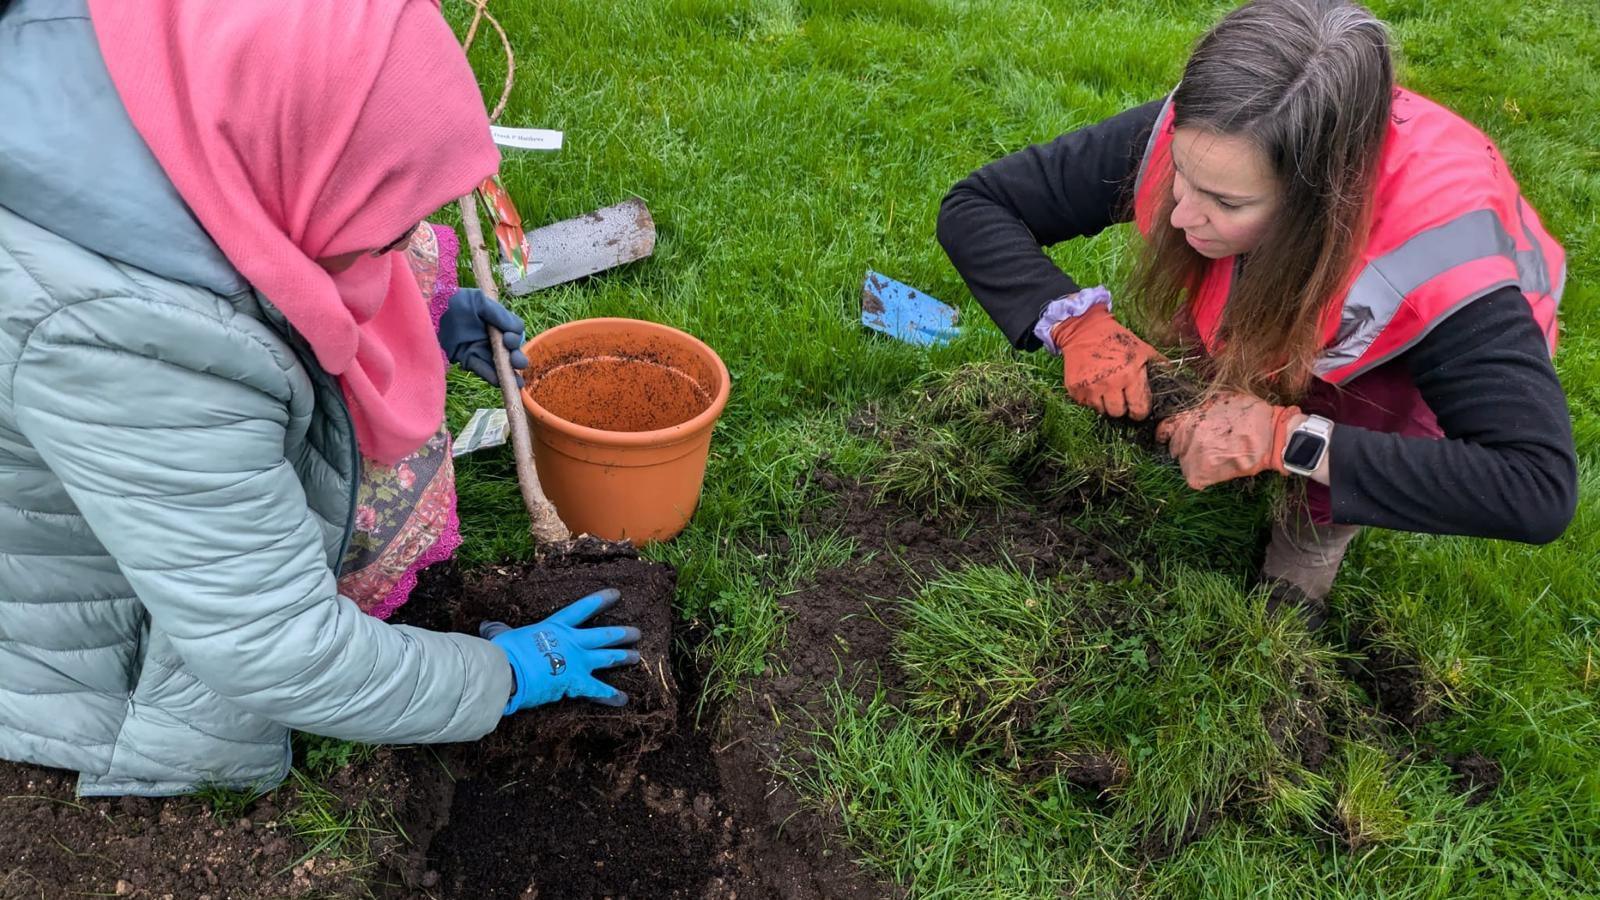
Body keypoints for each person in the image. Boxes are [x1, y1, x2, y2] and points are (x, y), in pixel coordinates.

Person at [0, 0, 640, 797]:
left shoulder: (170, 96)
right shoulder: (122, 337)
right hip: (101, 660)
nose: (398, 245)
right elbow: (274, 646)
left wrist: (427, 321)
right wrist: (503, 675)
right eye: (383, 228)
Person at [937, 0, 1576, 617]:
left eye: (1226, 201)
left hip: (1399, 352)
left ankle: (1305, 548)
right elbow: (979, 206)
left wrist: (1287, 440)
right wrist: (1077, 324)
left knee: (1331, 460)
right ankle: (1218, 422)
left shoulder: (1437, 259)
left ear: (1319, 200)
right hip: (1299, 269)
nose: (1181, 215)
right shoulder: (1221, 130)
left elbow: (1534, 487)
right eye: (1181, 172)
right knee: (1222, 341)